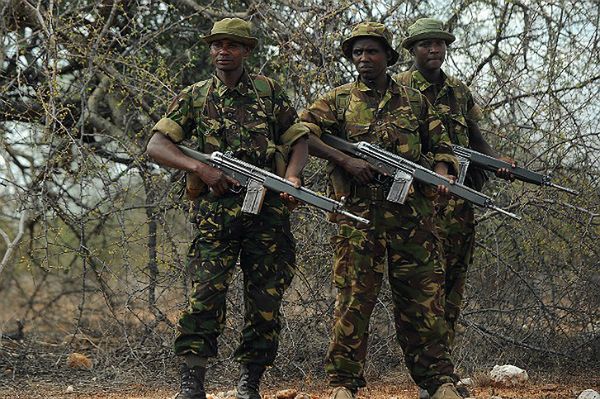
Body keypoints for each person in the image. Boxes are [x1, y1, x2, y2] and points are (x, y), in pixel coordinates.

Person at [146, 18, 309, 399]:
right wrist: (200, 168)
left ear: (247, 51)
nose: (223, 52)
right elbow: (156, 145)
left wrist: (294, 178)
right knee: (204, 298)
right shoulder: (196, 96)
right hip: (214, 218)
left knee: (265, 300)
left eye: (232, 45)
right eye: (217, 45)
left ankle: (250, 382)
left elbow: (298, 138)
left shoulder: (269, 92)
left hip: (267, 216)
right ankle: (192, 382)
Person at [300, 22, 463, 399]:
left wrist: (441, 173)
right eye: (357, 52)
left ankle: (437, 381)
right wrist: (345, 160)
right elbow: (302, 132)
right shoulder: (338, 100)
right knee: (353, 300)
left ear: (388, 56)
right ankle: (343, 383)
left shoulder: (415, 100)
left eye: (371, 51)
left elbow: (442, 145)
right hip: (358, 218)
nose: (363, 59)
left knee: (424, 302)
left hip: (412, 218)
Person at [395, 18, 515, 399]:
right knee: (422, 290)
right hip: (417, 207)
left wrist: (497, 161)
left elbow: (476, 138)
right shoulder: (398, 89)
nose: (434, 50)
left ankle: (443, 375)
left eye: (440, 44)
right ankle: (429, 376)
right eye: (426, 44)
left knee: (451, 287)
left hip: (459, 202)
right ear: (413, 49)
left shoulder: (458, 91)